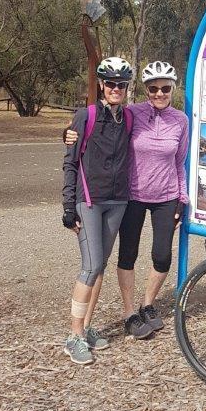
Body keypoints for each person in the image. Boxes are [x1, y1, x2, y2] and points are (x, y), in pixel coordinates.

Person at [65, 60, 188, 340]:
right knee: (122, 256)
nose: (159, 94)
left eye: (165, 89)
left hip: (166, 196)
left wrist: (182, 196)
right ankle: (128, 312)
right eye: (153, 89)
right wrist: (68, 133)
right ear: (145, 90)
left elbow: (180, 161)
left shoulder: (180, 120)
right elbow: (94, 129)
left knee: (162, 256)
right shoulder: (133, 113)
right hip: (131, 194)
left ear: (172, 90)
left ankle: (148, 304)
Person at [61, 56, 134, 365]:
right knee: (90, 266)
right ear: (102, 85)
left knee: (100, 265)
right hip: (88, 200)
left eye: (122, 84)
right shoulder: (86, 115)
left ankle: (87, 328)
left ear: (128, 88)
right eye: (111, 84)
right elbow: (70, 160)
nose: (116, 89)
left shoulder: (129, 118)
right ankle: (73, 336)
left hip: (117, 201)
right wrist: (68, 206)